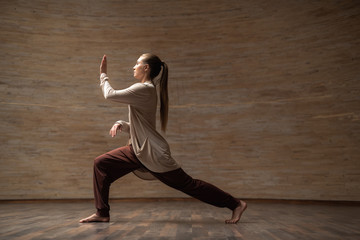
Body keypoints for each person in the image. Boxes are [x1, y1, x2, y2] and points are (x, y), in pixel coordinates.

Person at [79, 54, 247, 224]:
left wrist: (103, 74)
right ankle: (102, 213)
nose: (133, 66)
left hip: (152, 153)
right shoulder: (146, 90)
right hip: (138, 150)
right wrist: (122, 124)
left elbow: (110, 94)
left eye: (137, 63)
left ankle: (236, 204)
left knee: (189, 185)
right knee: (101, 163)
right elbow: (143, 125)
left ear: (146, 68)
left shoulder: (143, 89)